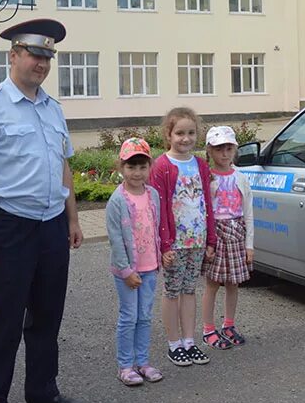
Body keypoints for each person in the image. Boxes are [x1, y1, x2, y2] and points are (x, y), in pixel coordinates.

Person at [0, 18, 85, 403]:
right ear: (12, 55)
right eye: (34, 54)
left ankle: (42, 389)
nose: (42, 63)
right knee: (3, 318)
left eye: (48, 56)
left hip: (51, 225)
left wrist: (72, 218)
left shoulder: (53, 108)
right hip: (10, 225)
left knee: (48, 313)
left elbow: (63, 165)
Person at [150, 107, 216, 367]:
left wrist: (211, 239)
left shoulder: (199, 164)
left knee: (190, 290)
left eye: (191, 133)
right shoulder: (162, 166)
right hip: (174, 244)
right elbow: (160, 208)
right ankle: (173, 343)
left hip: (197, 241)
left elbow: (207, 203)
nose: (186, 138)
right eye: (179, 133)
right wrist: (164, 245)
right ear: (169, 134)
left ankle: (189, 341)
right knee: (172, 291)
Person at [106, 137, 164, 386]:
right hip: (127, 271)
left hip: (150, 267)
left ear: (149, 167)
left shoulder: (153, 195)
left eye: (142, 167)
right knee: (129, 317)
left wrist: (161, 256)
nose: (137, 173)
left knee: (145, 316)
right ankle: (125, 365)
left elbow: (157, 227)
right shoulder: (117, 201)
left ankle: (143, 362)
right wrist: (127, 270)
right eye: (131, 167)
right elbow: (116, 240)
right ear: (122, 168)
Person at [201, 126, 254, 350]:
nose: (224, 153)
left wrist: (249, 245)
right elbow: (203, 210)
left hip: (237, 232)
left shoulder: (241, 178)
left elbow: (249, 212)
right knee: (212, 284)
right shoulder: (208, 178)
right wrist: (207, 241)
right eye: (219, 148)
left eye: (229, 148)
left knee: (233, 283)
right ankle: (208, 329)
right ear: (210, 151)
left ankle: (229, 324)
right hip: (216, 234)